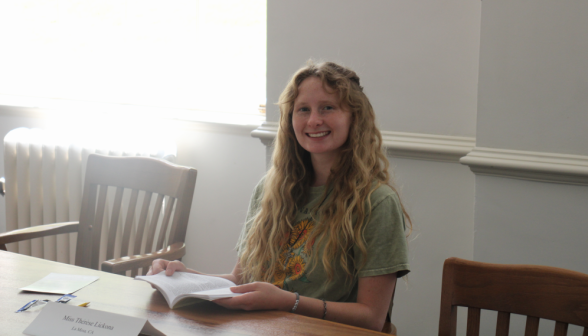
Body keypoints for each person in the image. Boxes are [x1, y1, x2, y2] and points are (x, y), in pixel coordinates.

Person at [147, 61, 411, 332]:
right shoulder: (271, 189)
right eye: (303, 110)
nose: (313, 120)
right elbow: (240, 280)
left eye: (328, 108)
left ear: (355, 117)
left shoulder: (377, 203)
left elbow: (372, 318)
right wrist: (184, 277)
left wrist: (290, 302)